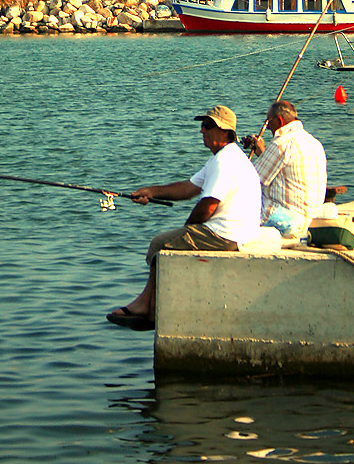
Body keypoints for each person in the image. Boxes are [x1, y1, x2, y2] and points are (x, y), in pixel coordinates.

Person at [107, 104, 261, 330]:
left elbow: (209, 205)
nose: (202, 131)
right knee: (166, 241)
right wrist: (151, 191)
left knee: (160, 243)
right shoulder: (226, 158)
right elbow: (187, 188)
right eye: (202, 125)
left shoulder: (224, 161)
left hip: (227, 234)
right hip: (235, 231)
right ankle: (148, 307)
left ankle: (146, 309)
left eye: (208, 126)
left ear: (225, 132)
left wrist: (187, 227)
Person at [242, 100, 327, 238]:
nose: (267, 126)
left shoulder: (282, 143)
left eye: (268, 122)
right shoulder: (314, 142)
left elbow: (250, 180)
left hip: (289, 223)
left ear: (279, 121)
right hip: (311, 220)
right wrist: (263, 153)